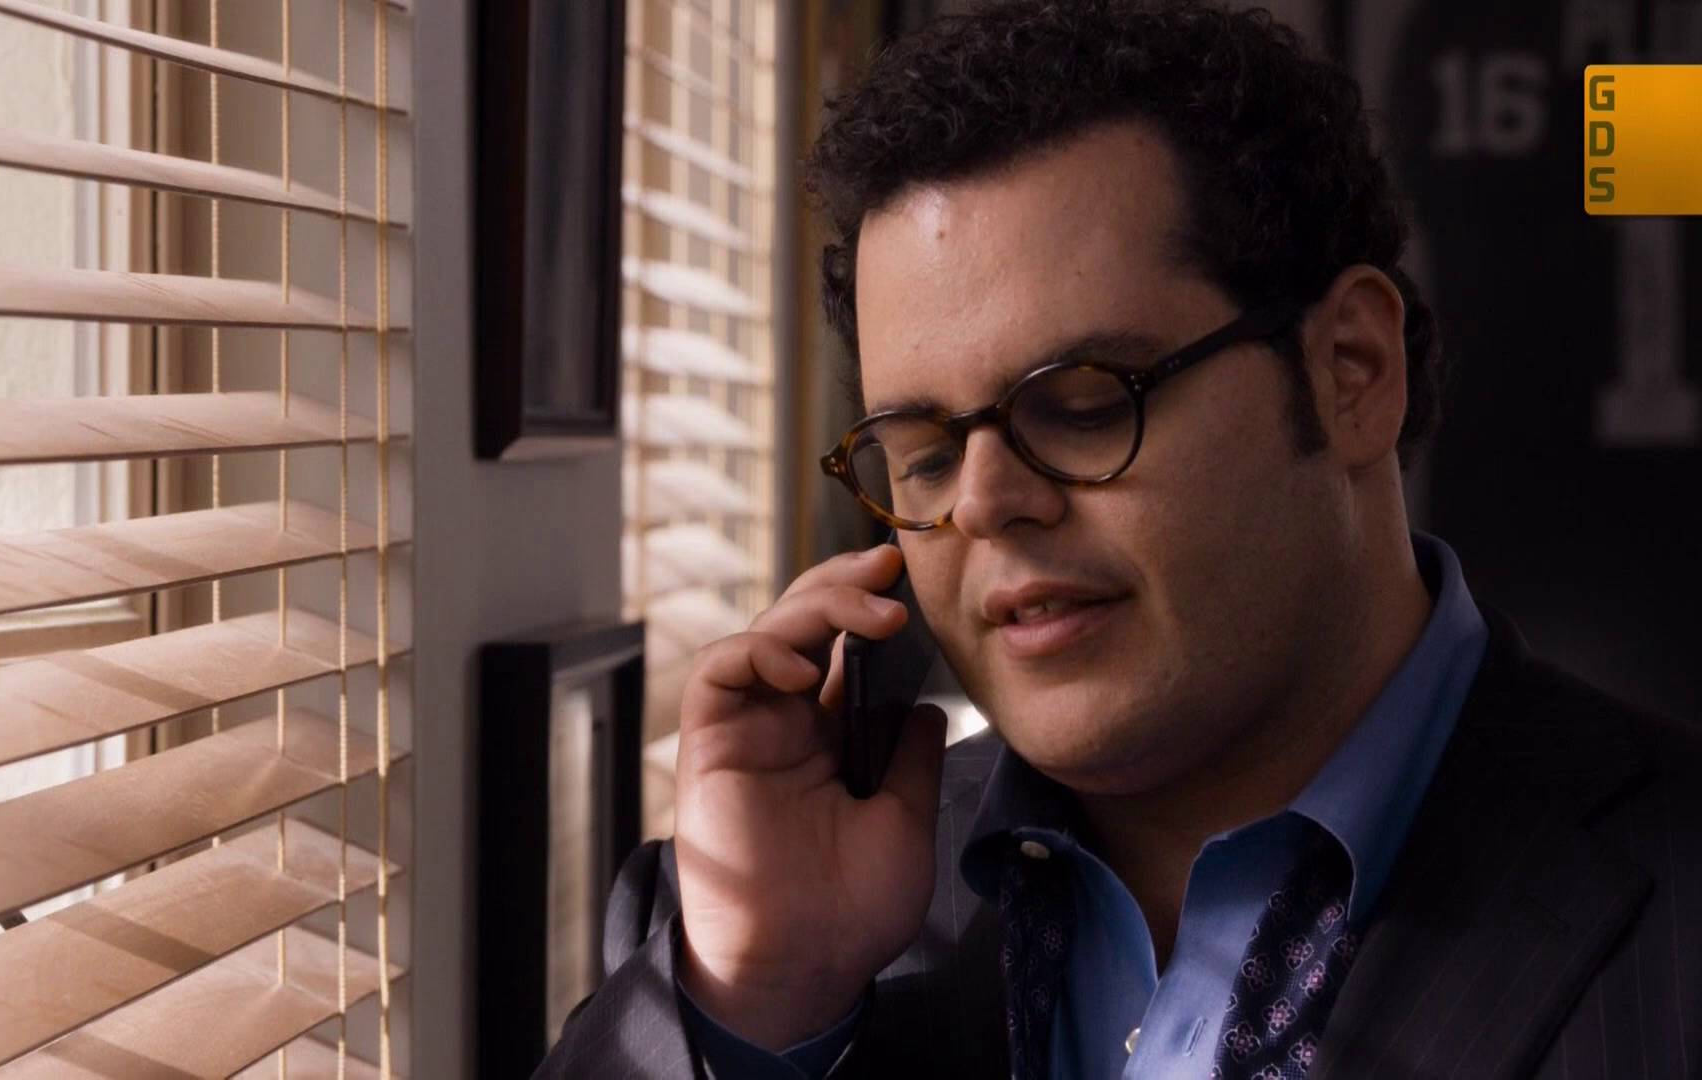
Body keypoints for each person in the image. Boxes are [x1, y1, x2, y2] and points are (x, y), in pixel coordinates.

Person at [539, 1, 1702, 1076]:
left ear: (1352, 371)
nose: (985, 503)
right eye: (926, 452)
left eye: (1084, 403)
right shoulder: (772, 924)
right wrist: (761, 1001)